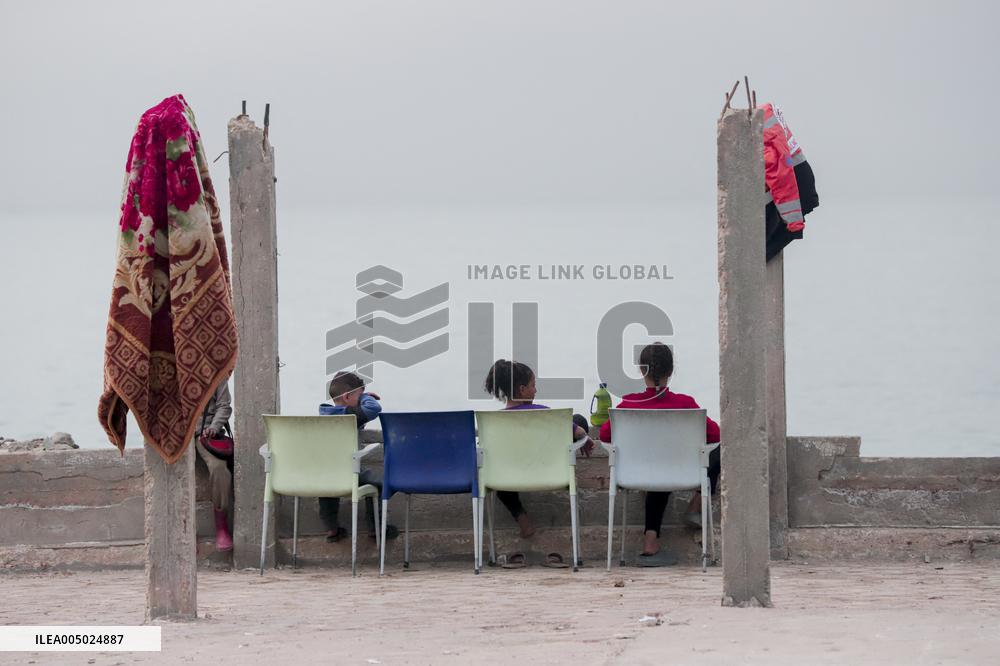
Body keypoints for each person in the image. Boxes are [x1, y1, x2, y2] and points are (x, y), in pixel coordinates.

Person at [598, 343, 720, 567]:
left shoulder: (629, 403)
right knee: (711, 451)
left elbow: (605, 436)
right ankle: (696, 503)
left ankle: (650, 542)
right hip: (679, 473)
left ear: (641, 370)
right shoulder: (686, 404)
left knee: (656, 465)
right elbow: (716, 435)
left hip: (635, 475)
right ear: (671, 371)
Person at [483, 359, 593, 541]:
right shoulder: (545, 413)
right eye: (533, 385)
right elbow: (579, 430)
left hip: (509, 474)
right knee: (578, 420)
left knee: (498, 475)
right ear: (522, 389)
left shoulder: (495, 422)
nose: (536, 390)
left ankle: (521, 517)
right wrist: (585, 438)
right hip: (548, 470)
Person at [318, 371, 398, 542]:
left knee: (326, 489)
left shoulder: (323, 414)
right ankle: (376, 528)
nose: (362, 400)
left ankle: (331, 528)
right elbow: (374, 408)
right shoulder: (350, 416)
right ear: (347, 397)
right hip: (349, 471)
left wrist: (360, 395)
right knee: (380, 483)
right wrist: (366, 397)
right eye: (359, 396)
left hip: (325, 473)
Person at [194, 378, 234, 552]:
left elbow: (224, 406)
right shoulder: (175, 371)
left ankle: (222, 526)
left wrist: (214, 427)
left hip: (206, 434)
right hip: (180, 436)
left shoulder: (217, 372)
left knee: (219, 469)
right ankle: (184, 530)